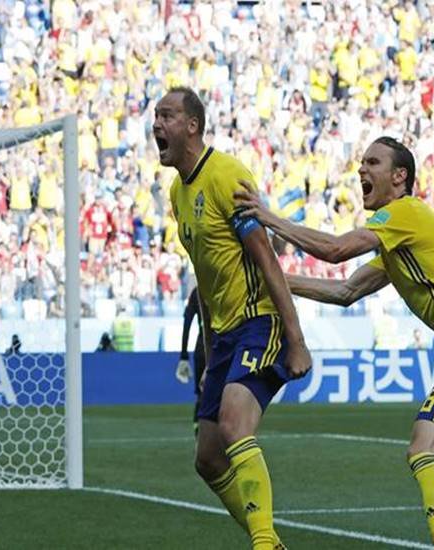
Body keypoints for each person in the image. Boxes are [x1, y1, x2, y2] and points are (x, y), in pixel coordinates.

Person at [235, 136, 434, 550]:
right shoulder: (400, 237)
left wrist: (268, 218)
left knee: (423, 450)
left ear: (399, 177)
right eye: (362, 162)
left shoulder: (404, 213)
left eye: (373, 162)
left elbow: (335, 249)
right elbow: (345, 291)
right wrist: (274, 281)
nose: (362, 169)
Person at [155, 86, 312, 550]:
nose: (156, 124)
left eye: (167, 115)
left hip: (259, 319)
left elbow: (267, 260)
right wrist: (209, 355)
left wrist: (296, 339)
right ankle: (272, 542)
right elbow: (204, 277)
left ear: (192, 126)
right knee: (208, 458)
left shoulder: (228, 176)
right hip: (223, 335)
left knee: (234, 425)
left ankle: (263, 544)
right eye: (155, 116)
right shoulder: (178, 193)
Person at [176, 286, 206, 435]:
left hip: (201, 350)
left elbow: (187, 323)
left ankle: (199, 438)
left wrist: (184, 355)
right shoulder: (221, 286)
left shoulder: (197, 292)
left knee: (201, 395)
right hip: (221, 347)